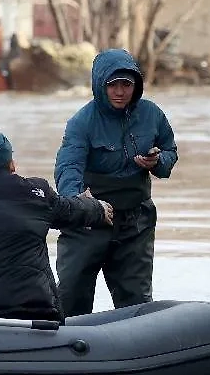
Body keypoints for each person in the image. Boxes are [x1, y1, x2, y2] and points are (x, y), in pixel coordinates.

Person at [0, 133, 114, 322]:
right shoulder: (37, 192)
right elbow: (70, 211)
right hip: (30, 309)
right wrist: (99, 209)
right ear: (12, 164)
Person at [53, 48, 179, 317]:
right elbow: (68, 166)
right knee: (71, 294)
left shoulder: (152, 114)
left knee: (137, 300)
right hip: (90, 220)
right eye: (113, 85)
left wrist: (158, 161)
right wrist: (77, 200)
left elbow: (170, 151)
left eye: (126, 85)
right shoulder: (81, 122)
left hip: (136, 222)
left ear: (136, 85)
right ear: (100, 85)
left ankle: (138, 339)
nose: (120, 92)